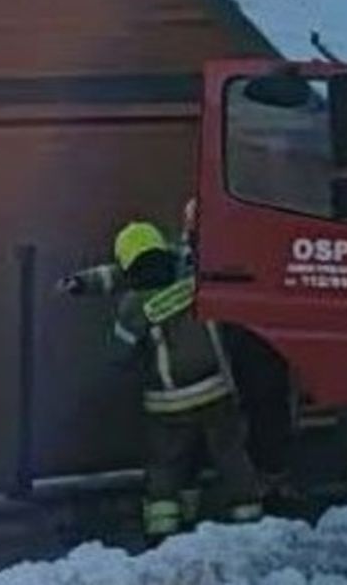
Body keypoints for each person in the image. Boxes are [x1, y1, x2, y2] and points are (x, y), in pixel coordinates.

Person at [101, 220, 264, 542]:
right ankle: (251, 519)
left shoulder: (134, 305)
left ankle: (164, 532)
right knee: (230, 454)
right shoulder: (195, 282)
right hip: (217, 391)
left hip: (168, 404)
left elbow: (118, 356)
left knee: (166, 464)